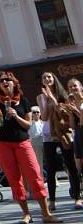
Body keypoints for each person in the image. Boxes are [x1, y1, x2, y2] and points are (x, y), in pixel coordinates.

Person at [0, 70, 61, 223]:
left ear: (14, 82)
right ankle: (26, 214)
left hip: (22, 142)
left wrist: (15, 115)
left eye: (7, 79)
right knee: (14, 179)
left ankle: (46, 214)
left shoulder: (24, 101)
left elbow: (28, 125)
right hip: (1, 143)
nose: (5, 82)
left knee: (35, 175)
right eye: (1, 81)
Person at [37, 71, 81, 211]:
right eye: (44, 77)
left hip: (64, 134)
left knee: (71, 166)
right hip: (49, 135)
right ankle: (52, 201)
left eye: (49, 77)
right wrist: (45, 101)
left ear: (54, 79)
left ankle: (77, 198)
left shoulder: (63, 95)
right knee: (50, 169)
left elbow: (63, 113)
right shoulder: (40, 97)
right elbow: (43, 117)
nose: (47, 79)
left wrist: (53, 99)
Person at [65, 78, 83, 192]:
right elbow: (72, 125)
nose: (73, 88)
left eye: (75, 86)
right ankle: (77, 189)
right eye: (70, 87)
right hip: (78, 134)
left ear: (81, 87)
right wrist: (71, 112)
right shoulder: (71, 103)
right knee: (78, 163)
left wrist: (76, 110)